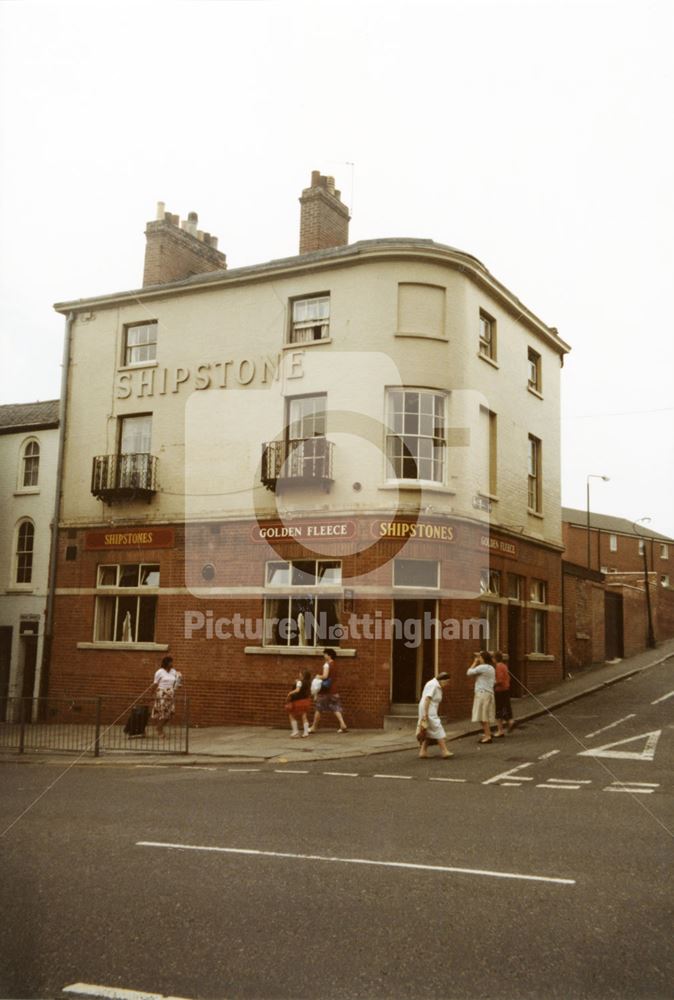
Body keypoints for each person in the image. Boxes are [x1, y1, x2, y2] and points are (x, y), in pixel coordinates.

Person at [308, 648, 348, 733]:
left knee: (319, 708)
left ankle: (313, 727)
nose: (324, 655)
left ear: (329, 655)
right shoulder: (335, 664)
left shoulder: (327, 664)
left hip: (326, 690)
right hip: (334, 690)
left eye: (325, 654)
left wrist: (318, 676)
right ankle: (343, 724)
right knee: (336, 708)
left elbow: (325, 676)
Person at [417, 672, 453, 759]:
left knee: (428, 730)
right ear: (442, 680)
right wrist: (425, 714)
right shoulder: (433, 685)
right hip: (428, 710)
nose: (447, 684)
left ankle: (423, 751)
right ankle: (444, 751)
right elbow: (427, 699)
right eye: (447, 682)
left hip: (430, 709)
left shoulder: (435, 684)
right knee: (437, 727)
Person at [467, 650, 496, 743]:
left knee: (482, 716)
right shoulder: (491, 668)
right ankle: (488, 733)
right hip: (488, 693)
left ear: (483, 658)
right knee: (483, 715)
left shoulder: (482, 667)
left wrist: (474, 662)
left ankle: (487, 737)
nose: (479, 659)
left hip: (482, 693)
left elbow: (469, 672)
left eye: (480, 657)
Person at [151, 655, 183, 737]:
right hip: (162, 693)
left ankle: (159, 727)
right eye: (170, 662)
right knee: (163, 713)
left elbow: (178, 680)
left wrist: (180, 678)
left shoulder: (173, 671)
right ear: (166, 663)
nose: (172, 664)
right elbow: (155, 684)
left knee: (170, 713)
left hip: (170, 694)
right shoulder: (159, 672)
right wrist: (151, 694)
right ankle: (159, 730)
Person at [285, 668, 312, 738]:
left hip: (298, 701)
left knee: (291, 715)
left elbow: (297, 690)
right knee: (304, 716)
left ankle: (295, 731)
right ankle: (306, 732)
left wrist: (290, 693)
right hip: (306, 701)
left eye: (300, 673)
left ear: (303, 675)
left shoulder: (300, 682)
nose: (299, 674)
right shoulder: (308, 682)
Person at [493, 650, 515, 737]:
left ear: (495, 658)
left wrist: (492, 684)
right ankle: (510, 721)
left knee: (498, 711)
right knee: (505, 707)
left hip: (499, 690)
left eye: (493, 658)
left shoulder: (498, 666)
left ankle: (500, 730)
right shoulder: (504, 666)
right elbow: (508, 678)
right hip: (506, 689)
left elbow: (499, 680)